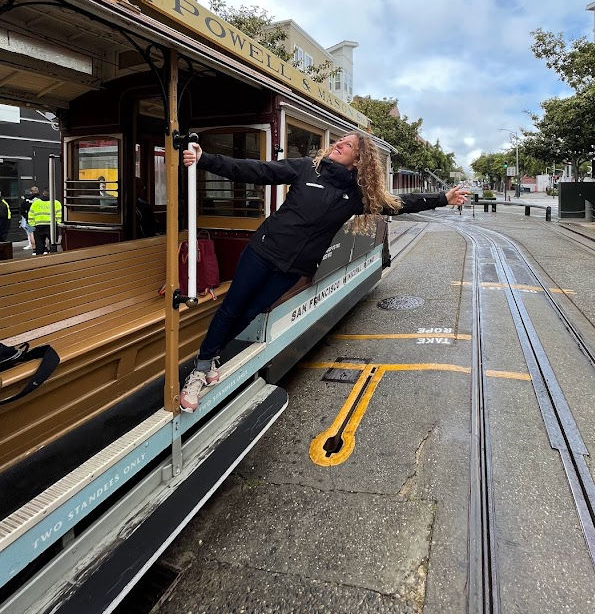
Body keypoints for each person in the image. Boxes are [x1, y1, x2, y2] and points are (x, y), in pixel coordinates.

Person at [178, 132, 468, 412]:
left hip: (294, 267)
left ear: (358, 160)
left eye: (349, 144)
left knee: (250, 311)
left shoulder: (357, 194)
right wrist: (206, 160)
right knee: (232, 308)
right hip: (263, 252)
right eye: (340, 140)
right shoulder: (308, 168)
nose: (339, 143)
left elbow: (399, 204)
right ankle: (201, 368)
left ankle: (211, 357)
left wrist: (443, 197)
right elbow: (257, 171)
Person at [28, 187, 62, 256]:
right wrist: (58, 223)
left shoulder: (36, 203)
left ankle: (39, 260)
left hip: (39, 226)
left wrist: (33, 224)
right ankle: (53, 259)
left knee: (39, 246)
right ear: (53, 194)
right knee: (53, 244)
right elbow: (59, 215)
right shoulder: (56, 203)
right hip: (51, 226)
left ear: (43, 193)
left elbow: (31, 214)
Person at [19, 185, 39, 250]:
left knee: (31, 234)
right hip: (40, 219)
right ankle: (44, 249)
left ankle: (34, 249)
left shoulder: (26, 200)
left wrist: (26, 216)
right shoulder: (40, 199)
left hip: (30, 219)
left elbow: (22, 210)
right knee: (42, 234)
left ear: (30, 192)